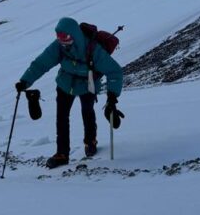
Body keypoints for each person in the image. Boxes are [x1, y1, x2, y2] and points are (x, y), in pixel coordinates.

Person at [16, 16, 123, 167]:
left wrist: (112, 98)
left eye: (65, 37)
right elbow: (41, 63)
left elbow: (115, 71)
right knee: (62, 117)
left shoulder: (93, 49)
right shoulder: (59, 46)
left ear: (74, 35)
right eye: (59, 36)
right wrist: (25, 81)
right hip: (65, 83)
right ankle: (62, 154)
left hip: (88, 84)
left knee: (87, 111)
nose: (62, 40)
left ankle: (90, 141)